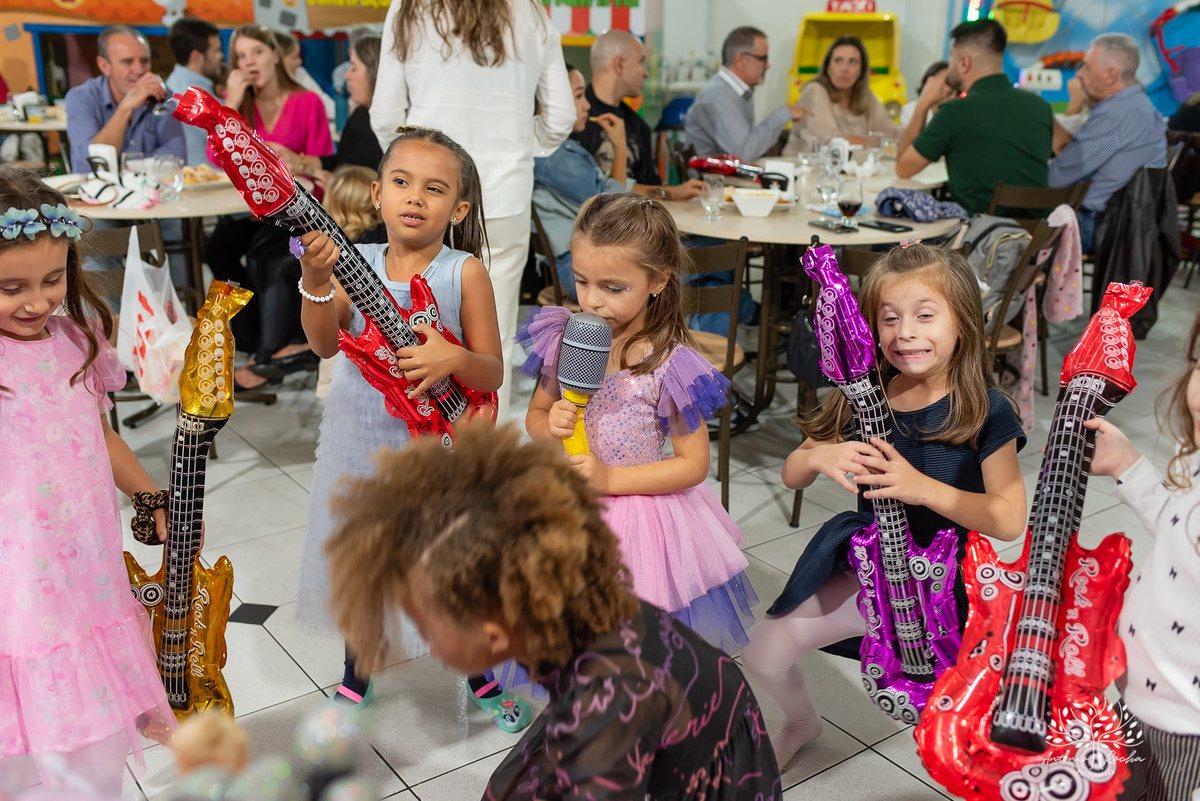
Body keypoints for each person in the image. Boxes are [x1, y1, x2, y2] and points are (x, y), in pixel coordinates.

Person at [321, 421, 783, 799]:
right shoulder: (557, 607)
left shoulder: (605, 711)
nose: (428, 649)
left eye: (426, 628)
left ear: (491, 632)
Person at [741, 243, 1027, 768]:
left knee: (963, 719)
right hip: (871, 571)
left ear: (963, 321)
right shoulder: (866, 393)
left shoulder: (986, 408)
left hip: (949, 591)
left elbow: (1009, 517)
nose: (905, 333)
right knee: (762, 653)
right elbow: (792, 470)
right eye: (889, 319)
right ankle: (803, 722)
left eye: (924, 315)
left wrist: (923, 488)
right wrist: (819, 455)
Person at [290, 128, 534, 732]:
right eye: (401, 182)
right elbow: (323, 345)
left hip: (435, 450)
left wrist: (451, 359)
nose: (414, 197)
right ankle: (356, 673)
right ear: (376, 193)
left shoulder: (464, 272)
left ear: (460, 208)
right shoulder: (356, 264)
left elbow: (491, 368)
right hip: (357, 438)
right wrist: (317, 284)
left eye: (434, 188)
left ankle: (478, 671)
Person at [0, 165, 176, 793]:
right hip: (19, 589)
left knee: (92, 743)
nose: (36, 301)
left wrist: (149, 492)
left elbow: (102, 436)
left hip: (87, 572)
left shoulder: (77, 338)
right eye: (10, 286)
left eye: (52, 279)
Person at [521, 192, 758, 653]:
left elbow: (691, 466)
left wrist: (610, 478)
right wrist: (549, 424)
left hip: (636, 512)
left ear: (657, 280)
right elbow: (535, 416)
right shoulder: (565, 336)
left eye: (613, 288)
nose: (591, 301)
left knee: (634, 641)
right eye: (582, 281)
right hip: (568, 500)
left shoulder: (671, 364)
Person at [370, 0, 574, 421]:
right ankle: (484, 454)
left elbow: (386, 115)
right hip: (503, 189)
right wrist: (518, 141)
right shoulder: (532, 13)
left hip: (427, 194)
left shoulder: (409, 8)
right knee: (491, 336)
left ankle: (410, 437)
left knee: (410, 319)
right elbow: (560, 117)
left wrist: (414, 169)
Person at [1084, 312, 1200, 801]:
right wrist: (1128, 465)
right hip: (1137, 692)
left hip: (1187, 724)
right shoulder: (1195, 456)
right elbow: (1180, 526)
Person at [204, 24, 334, 391]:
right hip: (252, 210)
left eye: (256, 52)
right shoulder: (240, 106)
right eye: (240, 57)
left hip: (297, 210)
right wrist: (229, 101)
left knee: (265, 257)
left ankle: (268, 353)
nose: (249, 63)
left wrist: (298, 159)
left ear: (275, 54)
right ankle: (249, 336)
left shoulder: (307, 102)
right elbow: (214, 157)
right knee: (219, 249)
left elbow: (323, 166)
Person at [533, 64, 703, 299]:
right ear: (549, 103)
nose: (587, 105)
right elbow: (611, 204)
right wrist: (620, 147)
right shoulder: (554, 156)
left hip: (588, 256)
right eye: (579, 96)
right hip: (580, 264)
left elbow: (617, 187)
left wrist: (672, 192)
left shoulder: (561, 150)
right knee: (684, 273)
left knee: (691, 268)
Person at [896, 19, 1053, 216]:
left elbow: (903, 168)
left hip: (980, 239)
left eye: (952, 58)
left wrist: (922, 105)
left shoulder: (954, 112)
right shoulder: (1040, 107)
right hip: (1038, 238)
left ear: (964, 62)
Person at [1049, 34, 1167, 255]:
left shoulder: (1116, 113)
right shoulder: (1140, 106)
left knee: (1004, 227)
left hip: (1098, 226)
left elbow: (1056, 178)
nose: (1078, 74)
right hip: (1135, 234)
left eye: (1086, 68)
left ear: (1111, 74)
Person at [64, 25, 186, 174]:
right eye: (127, 62)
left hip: (150, 193)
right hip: (98, 195)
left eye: (144, 61)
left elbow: (177, 158)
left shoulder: (163, 96)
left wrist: (121, 168)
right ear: (104, 66)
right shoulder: (81, 98)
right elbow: (90, 165)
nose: (139, 70)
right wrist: (126, 107)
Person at [269, 34, 383, 187]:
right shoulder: (360, 114)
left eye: (354, 68)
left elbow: (382, 191)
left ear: (375, 73)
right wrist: (299, 161)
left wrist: (339, 187)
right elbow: (341, 162)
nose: (347, 75)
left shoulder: (393, 130)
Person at [685, 26, 808, 162]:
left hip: (726, 175)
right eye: (763, 58)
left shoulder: (738, 91)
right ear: (740, 60)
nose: (768, 65)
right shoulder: (719, 95)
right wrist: (784, 113)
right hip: (712, 180)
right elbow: (744, 152)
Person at [783, 35, 901, 156]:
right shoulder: (814, 90)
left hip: (849, 171)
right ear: (828, 67)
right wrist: (876, 143)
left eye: (853, 62)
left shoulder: (865, 96)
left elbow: (892, 133)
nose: (845, 68)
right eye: (838, 61)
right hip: (803, 169)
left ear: (861, 70)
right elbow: (832, 142)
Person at [572, 30, 660, 186]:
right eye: (640, 62)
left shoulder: (639, 127)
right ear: (619, 65)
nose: (646, 73)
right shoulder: (572, 122)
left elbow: (651, 191)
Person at [165, 17, 224, 166]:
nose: (221, 56)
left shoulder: (172, 83)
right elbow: (231, 139)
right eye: (217, 50)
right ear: (196, 57)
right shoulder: (198, 96)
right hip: (210, 181)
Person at [274, 30, 337, 136]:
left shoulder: (300, 74)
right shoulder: (265, 85)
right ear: (277, 59)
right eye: (294, 57)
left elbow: (327, 106)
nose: (299, 61)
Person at [899, 60, 949, 128]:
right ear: (927, 83)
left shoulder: (955, 112)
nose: (948, 88)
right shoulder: (909, 110)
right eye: (944, 80)